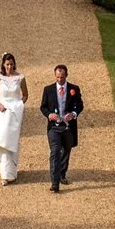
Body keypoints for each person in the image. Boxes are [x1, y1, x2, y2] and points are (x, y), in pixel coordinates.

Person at [40, 62, 83, 193]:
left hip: (68, 127)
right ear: (55, 76)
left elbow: (80, 105)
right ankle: (55, 183)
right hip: (54, 127)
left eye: (62, 77)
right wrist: (49, 115)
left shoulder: (74, 89)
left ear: (66, 76)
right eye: (57, 77)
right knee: (55, 153)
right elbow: (43, 107)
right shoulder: (48, 90)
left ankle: (62, 173)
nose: (60, 80)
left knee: (66, 150)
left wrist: (73, 114)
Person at [0, 53, 26, 184]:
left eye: (11, 64)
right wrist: (0, 105)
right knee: (3, 141)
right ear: (3, 64)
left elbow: (25, 95)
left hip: (15, 111)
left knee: (12, 140)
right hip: (2, 111)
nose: (9, 67)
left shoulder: (20, 77)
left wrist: (19, 106)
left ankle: (12, 172)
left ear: (14, 64)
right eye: (7, 64)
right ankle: (5, 174)